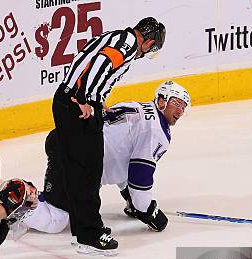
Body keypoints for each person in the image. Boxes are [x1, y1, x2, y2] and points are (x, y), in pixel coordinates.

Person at [51, 17, 166, 256]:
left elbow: (89, 64)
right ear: (149, 42)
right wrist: (84, 100)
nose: (146, 54)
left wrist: (97, 103)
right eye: (151, 49)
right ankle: (89, 236)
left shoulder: (116, 36)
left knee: (79, 171)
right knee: (89, 172)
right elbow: (100, 64)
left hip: (68, 102)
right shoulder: (128, 44)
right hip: (78, 106)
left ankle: (82, 231)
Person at [24, 80, 191, 240]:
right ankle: (7, 200)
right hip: (74, 155)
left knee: (77, 207)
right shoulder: (155, 131)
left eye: (183, 107)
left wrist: (129, 195)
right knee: (56, 219)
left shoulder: (140, 109)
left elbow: (121, 155)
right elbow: (140, 176)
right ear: (161, 101)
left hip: (74, 146)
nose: (180, 111)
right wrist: (147, 210)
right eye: (176, 103)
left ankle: (15, 196)